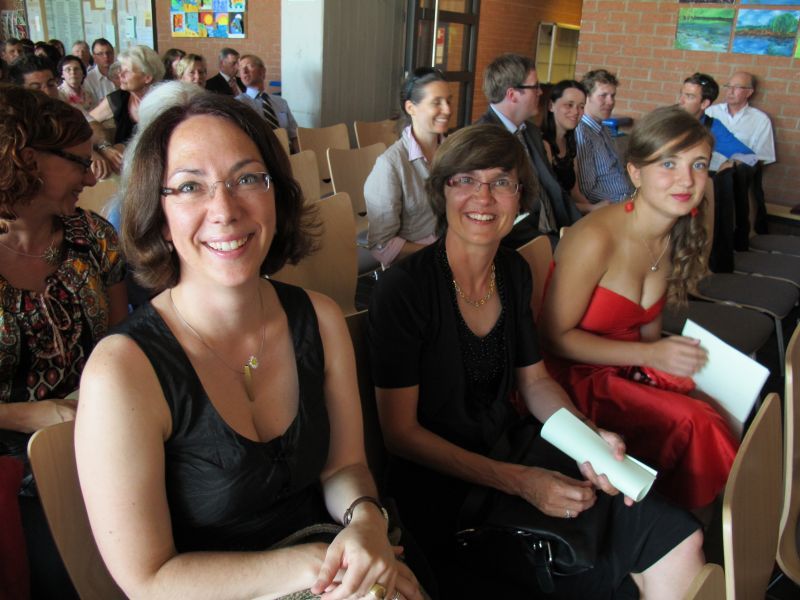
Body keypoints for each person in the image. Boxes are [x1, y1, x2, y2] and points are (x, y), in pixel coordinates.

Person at [74, 93, 421, 600]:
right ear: (160, 215)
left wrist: (366, 519)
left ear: (276, 195)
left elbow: (344, 466)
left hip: (329, 564)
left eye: (247, 179)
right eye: (190, 186)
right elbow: (147, 580)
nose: (225, 210)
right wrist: (316, 565)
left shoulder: (321, 319)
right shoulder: (122, 370)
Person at [369, 123, 705, 599]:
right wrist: (521, 482)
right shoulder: (405, 290)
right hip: (447, 492)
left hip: (517, 451)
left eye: (501, 182)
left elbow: (535, 382)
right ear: (441, 191)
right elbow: (400, 435)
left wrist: (587, 439)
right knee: (617, 568)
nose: (483, 197)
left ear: (520, 196)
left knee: (681, 538)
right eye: (465, 180)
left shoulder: (511, 271)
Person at [541, 106, 739, 512]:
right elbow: (552, 339)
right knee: (699, 422)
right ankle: (701, 521)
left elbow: (647, 332)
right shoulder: (596, 238)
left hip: (624, 367)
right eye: (668, 163)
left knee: (717, 400)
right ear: (635, 173)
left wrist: (665, 366)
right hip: (571, 378)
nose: (687, 179)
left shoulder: (673, 233)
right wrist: (652, 357)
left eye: (698, 164)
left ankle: (681, 510)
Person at [0, 84, 127, 598]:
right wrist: (25, 415)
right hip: (10, 461)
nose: (92, 175)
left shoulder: (92, 237)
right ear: (27, 159)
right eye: (79, 161)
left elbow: (118, 342)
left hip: (93, 434)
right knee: (60, 573)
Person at [475, 53, 581, 244]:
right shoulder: (483, 139)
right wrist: (553, 244)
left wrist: (580, 229)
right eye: (535, 86)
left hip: (556, 232)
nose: (541, 92)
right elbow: (499, 213)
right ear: (512, 94)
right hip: (525, 242)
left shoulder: (531, 131)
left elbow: (554, 189)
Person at [362, 67, 445, 267]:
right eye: (437, 102)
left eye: (448, 101)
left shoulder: (454, 153)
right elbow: (382, 246)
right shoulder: (390, 165)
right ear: (411, 108)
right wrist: (442, 253)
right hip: (418, 267)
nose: (448, 110)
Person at [88, 44, 165, 175]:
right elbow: (85, 122)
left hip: (155, 171)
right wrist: (104, 147)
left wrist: (125, 149)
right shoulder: (118, 99)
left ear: (147, 77)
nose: (120, 75)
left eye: (127, 71)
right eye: (121, 69)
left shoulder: (164, 102)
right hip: (122, 173)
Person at [575, 69, 635, 205]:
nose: (610, 102)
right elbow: (588, 191)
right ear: (586, 97)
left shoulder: (604, 128)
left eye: (613, 96)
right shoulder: (582, 133)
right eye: (603, 96)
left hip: (628, 197)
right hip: (612, 206)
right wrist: (623, 202)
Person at [678, 73, 757, 172]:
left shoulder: (712, 127)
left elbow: (750, 157)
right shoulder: (665, 118)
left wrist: (728, 166)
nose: (680, 101)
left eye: (689, 96)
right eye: (681, 94)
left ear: (704, 104)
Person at [541, 79, 597, 214]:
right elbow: (552, 201)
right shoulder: (543, 143)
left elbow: (575, 193)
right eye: (569, 105)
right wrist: (592, 208)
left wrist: (596, 212)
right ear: (551, 106)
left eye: (581, 106)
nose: (576, 111)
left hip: (570, 214)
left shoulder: (570, 142)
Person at [705, 71, 775, 165]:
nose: (731, 91)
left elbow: (763, 157)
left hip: (737, 173)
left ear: (749, 92)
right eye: (729, 86)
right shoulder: (710, 112)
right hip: (707, 170)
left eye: (737, 87)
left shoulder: (761, 120)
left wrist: (735, 167)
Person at [236, 54, 298, 150]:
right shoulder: (238, 103)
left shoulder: (281, 102)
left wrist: (300, 156)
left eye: (249, 66)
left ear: (262, 71)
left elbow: (294, 136)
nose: (244, 71)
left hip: (287, 152)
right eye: (241, 68)